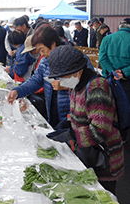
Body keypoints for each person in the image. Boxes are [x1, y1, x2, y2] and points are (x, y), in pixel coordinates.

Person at [46, 45, 124, 195]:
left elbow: (100, 130)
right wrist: (68, 123)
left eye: (63, 76)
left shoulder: (97, 88)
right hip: (88, 155)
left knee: (102, 196)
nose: (61, 80)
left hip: (104, 160)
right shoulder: (76, 86)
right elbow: (81, 114)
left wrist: (72, 134)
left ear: (77, 71)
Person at [7, 24, 70, 127]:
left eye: (42, 49)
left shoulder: (73, 56)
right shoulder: (45, 61)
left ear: (53, 44)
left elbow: (91, 83)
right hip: (52, 109)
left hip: (72, 112)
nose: (41, 54)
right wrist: (18, 91)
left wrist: (65, 85)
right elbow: (35, 81)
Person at [99, 17, 130, 142]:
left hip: (110, 80)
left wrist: (112, 72)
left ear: (120, 26)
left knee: (110, 106)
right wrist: (123, 72)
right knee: (126, 107)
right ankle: (123, 136)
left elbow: (102, 58)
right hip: (127, 81)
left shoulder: (107, 39)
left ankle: (111, 135)